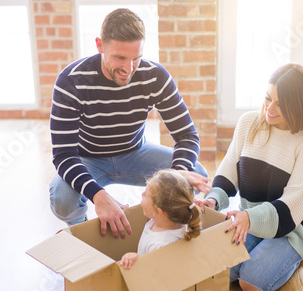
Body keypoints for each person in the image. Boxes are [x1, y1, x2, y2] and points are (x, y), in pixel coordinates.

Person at [49, 8, 209, 239]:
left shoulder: (155, 77)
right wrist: (99, 197)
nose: (128, 69)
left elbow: (187, 136)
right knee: (63, 200)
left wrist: (177, 175)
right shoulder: (71, 80)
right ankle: (82, 231)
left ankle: (161, 232)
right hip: (88, 158)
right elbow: (63, 155)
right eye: (119, 58)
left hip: (136, 153)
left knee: (195, 175)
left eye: (136, 58)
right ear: (99, 45)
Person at [197, 63, 303, 291]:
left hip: (292, 229)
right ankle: (259, 249)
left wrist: (250, 217)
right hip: (252, 219)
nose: (270, 108)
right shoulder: (248, 124)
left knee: (251, 284)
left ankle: (293, 258)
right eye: (268, 98)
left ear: (299, 106)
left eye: (281, 104)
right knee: (217, 272)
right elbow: (230, 168)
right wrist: (213, 200)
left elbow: (294, 202)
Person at [118, 169, 201, 269]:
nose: (141, 195)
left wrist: (136, 260)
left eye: (145, 195)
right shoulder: (169, 220)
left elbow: (153, 274)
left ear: (158, 212)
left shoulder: (160, 245)